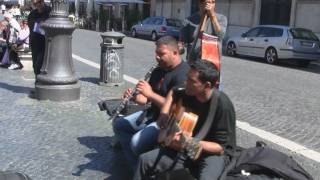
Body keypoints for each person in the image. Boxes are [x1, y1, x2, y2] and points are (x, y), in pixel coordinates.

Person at [134, 60, 236, 180]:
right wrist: (164, 114)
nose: (185, 82)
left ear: (207, 86)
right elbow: (173, 91)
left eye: (191, 81)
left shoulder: (222, 105)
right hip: (188, 148)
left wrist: (189, 141)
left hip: (211, 154)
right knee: (144, 160)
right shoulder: (189, 91)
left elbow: (220, 148)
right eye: (187, 78)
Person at [113, 36, 190, 171]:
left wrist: (150, 94)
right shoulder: (158, 69)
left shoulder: (183, 75)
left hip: (168, 122)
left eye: (161, 54)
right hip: (152, 114)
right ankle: (137, 167)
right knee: (119, 125)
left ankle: (143, 167)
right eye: (156, 53)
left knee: (136, 143)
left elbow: (176, 110)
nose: (157, 57)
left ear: (175, 53)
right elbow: (146, 100)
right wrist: (135, 97)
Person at [27, 0, 51, 84]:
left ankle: (43, 83)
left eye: (40, 2)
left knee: (43, 63)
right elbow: (31, 28)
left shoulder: (50, 12)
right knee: (36, 64)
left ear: (43, 2)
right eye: (35, 3)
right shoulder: (32, 14)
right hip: (35, 42)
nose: (38, 5)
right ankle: (37, 82)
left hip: (46, 42)